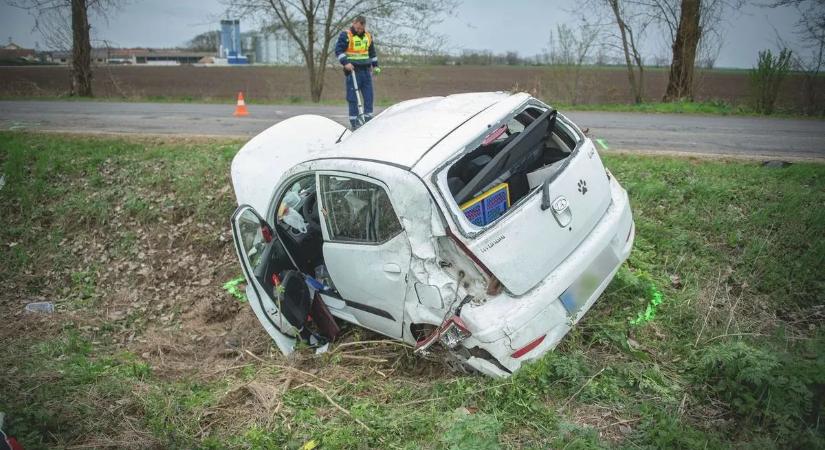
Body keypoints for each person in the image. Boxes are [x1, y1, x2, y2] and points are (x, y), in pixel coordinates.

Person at [335, 15, 379, 129]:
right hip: (353, 71)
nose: (359, 30)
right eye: (358, 28)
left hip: (366, 71)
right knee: (353, 98)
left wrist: (375, 66)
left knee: (369, 96)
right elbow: (338, 50)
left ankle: (368, 119)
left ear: (364, 26)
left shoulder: (368, 36)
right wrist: (345, 63)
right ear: (354, 23)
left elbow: (372, 53)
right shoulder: (346, 35)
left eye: (361, 28)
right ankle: (354, 122)